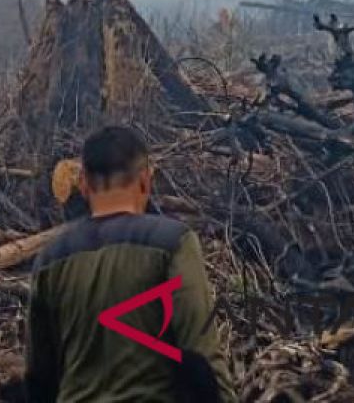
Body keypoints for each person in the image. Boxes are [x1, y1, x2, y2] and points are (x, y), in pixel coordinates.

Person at [24, 125, 235, 402]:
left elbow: (40, 379)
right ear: (146, 180)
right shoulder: (173, 243)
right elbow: (201, 358)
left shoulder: (50, 260)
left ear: (84, 185)